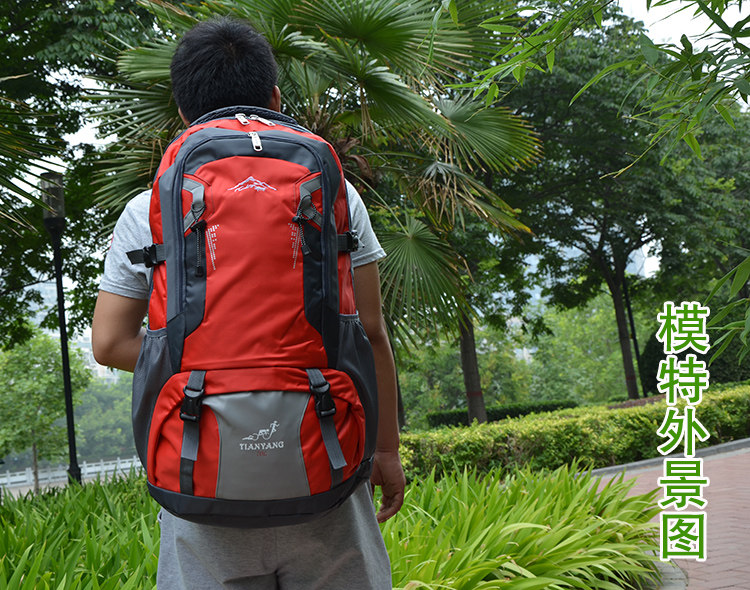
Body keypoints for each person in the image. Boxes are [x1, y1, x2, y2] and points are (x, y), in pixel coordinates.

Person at [91, 17, 405, 589]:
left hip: (201, 461)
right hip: (326, 453)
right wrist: (386, 449)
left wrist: (206, 361)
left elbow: (109, 343)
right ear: (275, 99)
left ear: (184, 112)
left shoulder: (147, 208)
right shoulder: (336, 193)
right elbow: (370, 330)